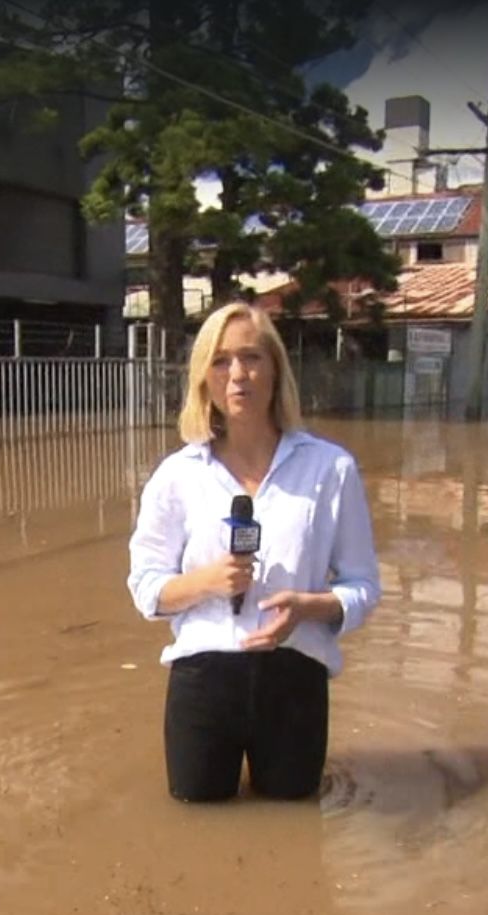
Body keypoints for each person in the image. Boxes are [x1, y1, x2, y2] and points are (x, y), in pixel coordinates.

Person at [126, 302, 381, 802]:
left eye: (251, 358)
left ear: (276, 369)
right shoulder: (177, 476)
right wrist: (204, 582)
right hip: (202, 679)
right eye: (220, 361)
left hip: (296, 677)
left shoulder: (330, 469)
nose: (238, 375)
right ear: (204, 377)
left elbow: (363, 585)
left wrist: (308, 607)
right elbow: (145, 586)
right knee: (197, 814)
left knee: (294, 815)